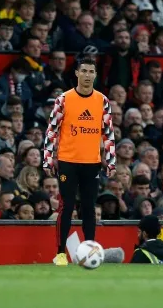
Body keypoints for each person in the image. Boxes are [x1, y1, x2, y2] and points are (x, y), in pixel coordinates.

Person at [42, 56, 116, 266]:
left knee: (89, 207)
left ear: (95, 74)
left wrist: (110, 161)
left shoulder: (102, 100)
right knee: (66, 206)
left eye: (91, 71)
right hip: (68, 161)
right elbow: (51, 131)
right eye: (83, 71)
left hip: (91, 162)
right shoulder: (63, 99)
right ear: (76, 73)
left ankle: (90, 252)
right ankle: (60, 253)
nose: (87, 75)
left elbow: (108, 133)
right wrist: (48, 160)